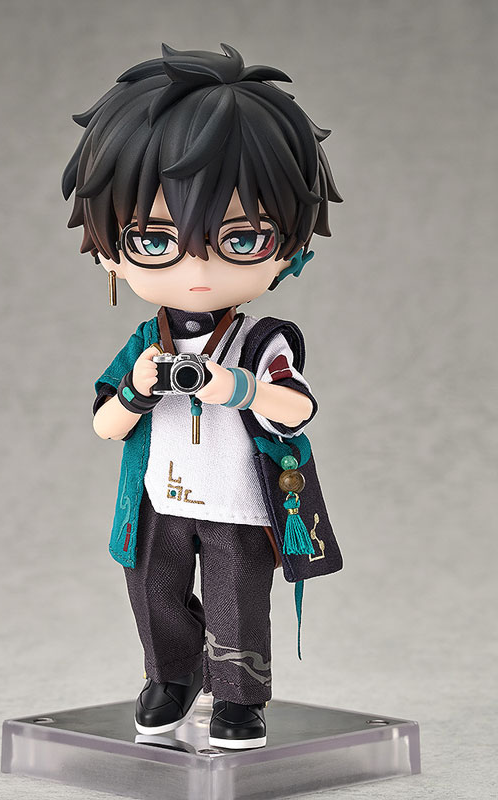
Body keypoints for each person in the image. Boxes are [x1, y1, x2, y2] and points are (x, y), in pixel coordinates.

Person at [62, 43, 343, 749]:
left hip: (237, 498)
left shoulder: (260, 339)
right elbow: (104, 425)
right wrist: (137, 388)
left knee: (236, 599)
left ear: (289, 248)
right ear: (108, 251)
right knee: (151, 590)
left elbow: (299, 408)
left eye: (240, 240)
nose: (197, 266)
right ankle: (172, 676)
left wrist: (237, 387)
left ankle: (239, 699)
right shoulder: (145, 342)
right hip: (159, 494)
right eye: (155, 240)